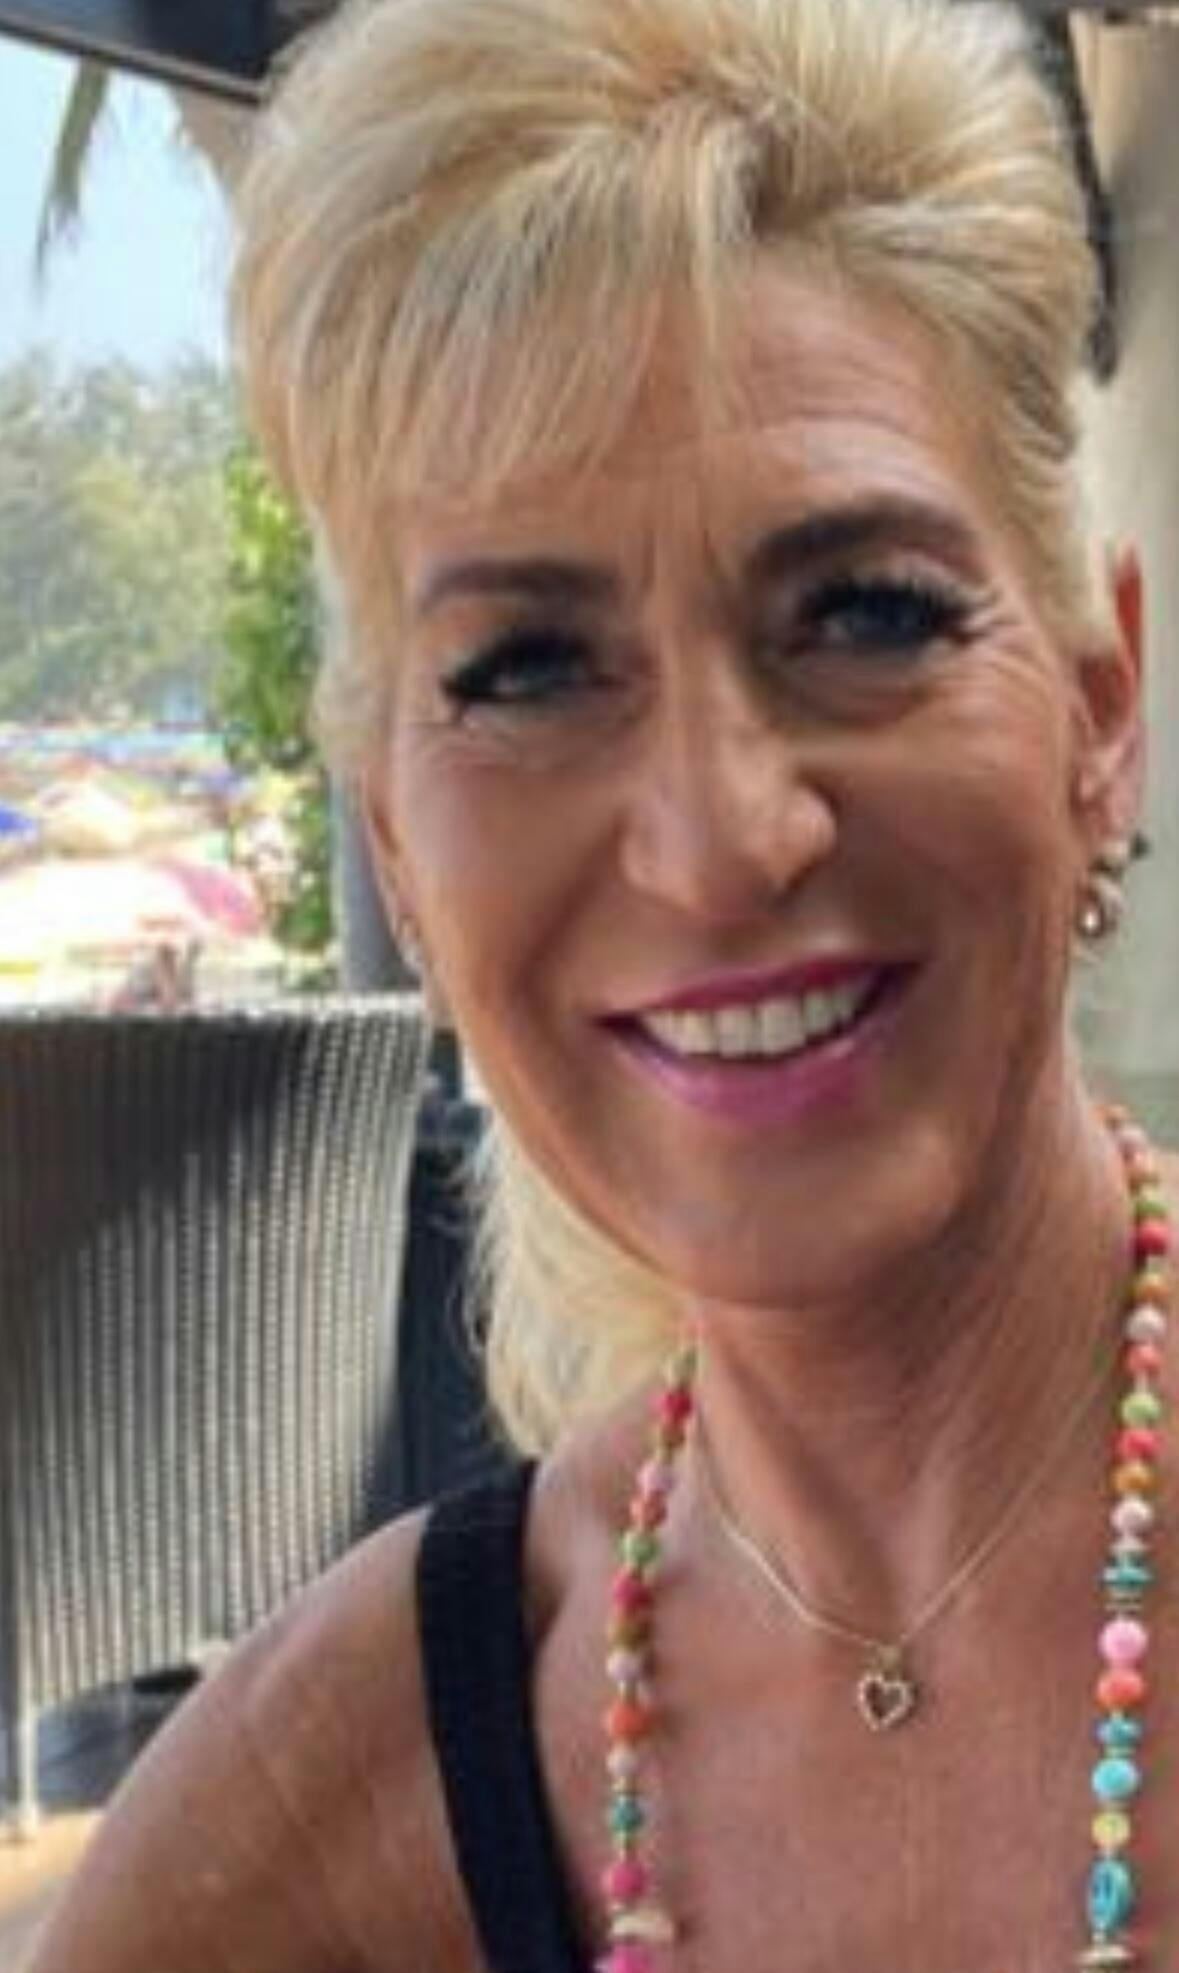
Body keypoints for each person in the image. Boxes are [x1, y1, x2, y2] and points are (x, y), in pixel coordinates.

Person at [26, 0, 1174, 1967]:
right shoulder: (341, 1784)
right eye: (529, 668)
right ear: (396, 846)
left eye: (864, 610)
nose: (718, 842)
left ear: (1096, 713)